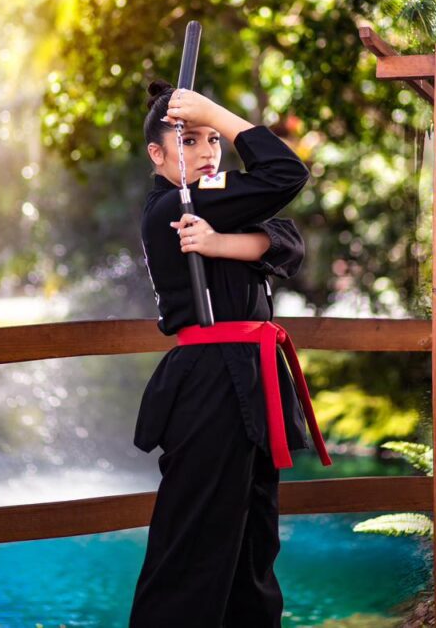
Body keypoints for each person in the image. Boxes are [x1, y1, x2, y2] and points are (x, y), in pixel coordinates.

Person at [129, 80, 331, 627]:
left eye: (214, 139)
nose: (207, 151)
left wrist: (224, 244)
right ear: (158, 154)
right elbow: (286, 175)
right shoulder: (173, 205)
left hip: (253, 378)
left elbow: (288, 239)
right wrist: (216, 111)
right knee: (193, 545)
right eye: (190, 139)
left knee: (253, 543)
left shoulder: (215, 205)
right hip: (209, 381)